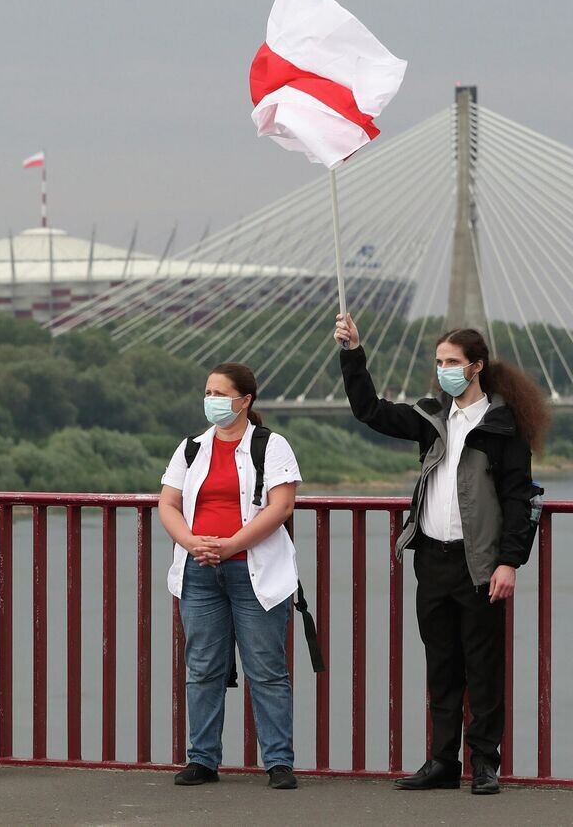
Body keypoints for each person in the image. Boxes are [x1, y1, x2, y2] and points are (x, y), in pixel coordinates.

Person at [334, 314, 546, 795]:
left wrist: (510, 561)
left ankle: (485, 764)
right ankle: (442, 762)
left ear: (476, 366)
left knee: (483, 667)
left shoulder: (503, 426)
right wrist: (352, 352)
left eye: (452, 362)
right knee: (442, 665)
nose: (443, 369)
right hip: (431, 559)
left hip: (480, 565)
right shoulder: (431, 418)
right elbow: (369, 411)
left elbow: (520, 499)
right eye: (439, 362)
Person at [158, 363, 302, 790]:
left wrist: (232, 544)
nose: (212, 401)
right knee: (202, 667)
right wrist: (191, 543)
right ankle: (202, 760)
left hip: (254, 573)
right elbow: (167, 503)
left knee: (266, 669)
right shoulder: (191, 448)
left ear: (245, 401)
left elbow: (281, 506)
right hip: (200, 572)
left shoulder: (271, 446)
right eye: (208, 392)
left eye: (220, 394)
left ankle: (278, 763)